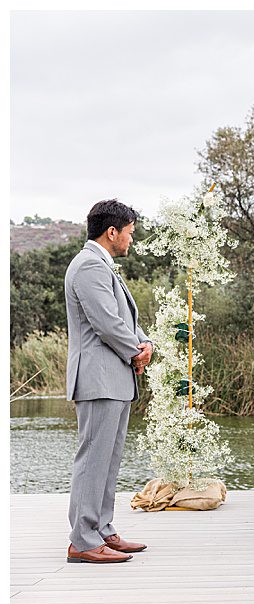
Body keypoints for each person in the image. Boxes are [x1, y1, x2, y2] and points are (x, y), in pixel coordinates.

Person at [64, 199, 153, 564]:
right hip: (98, 377)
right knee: (93, 458)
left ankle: (102, 528)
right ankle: (82, 541)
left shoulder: (103, 266)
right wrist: (135, 351)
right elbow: (105, 323)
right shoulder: (88, 266)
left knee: (109, 458)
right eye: (129, 233)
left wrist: (145, 342)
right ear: (112, 232)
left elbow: (124, 318)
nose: (131, 240)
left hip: (113, 377)